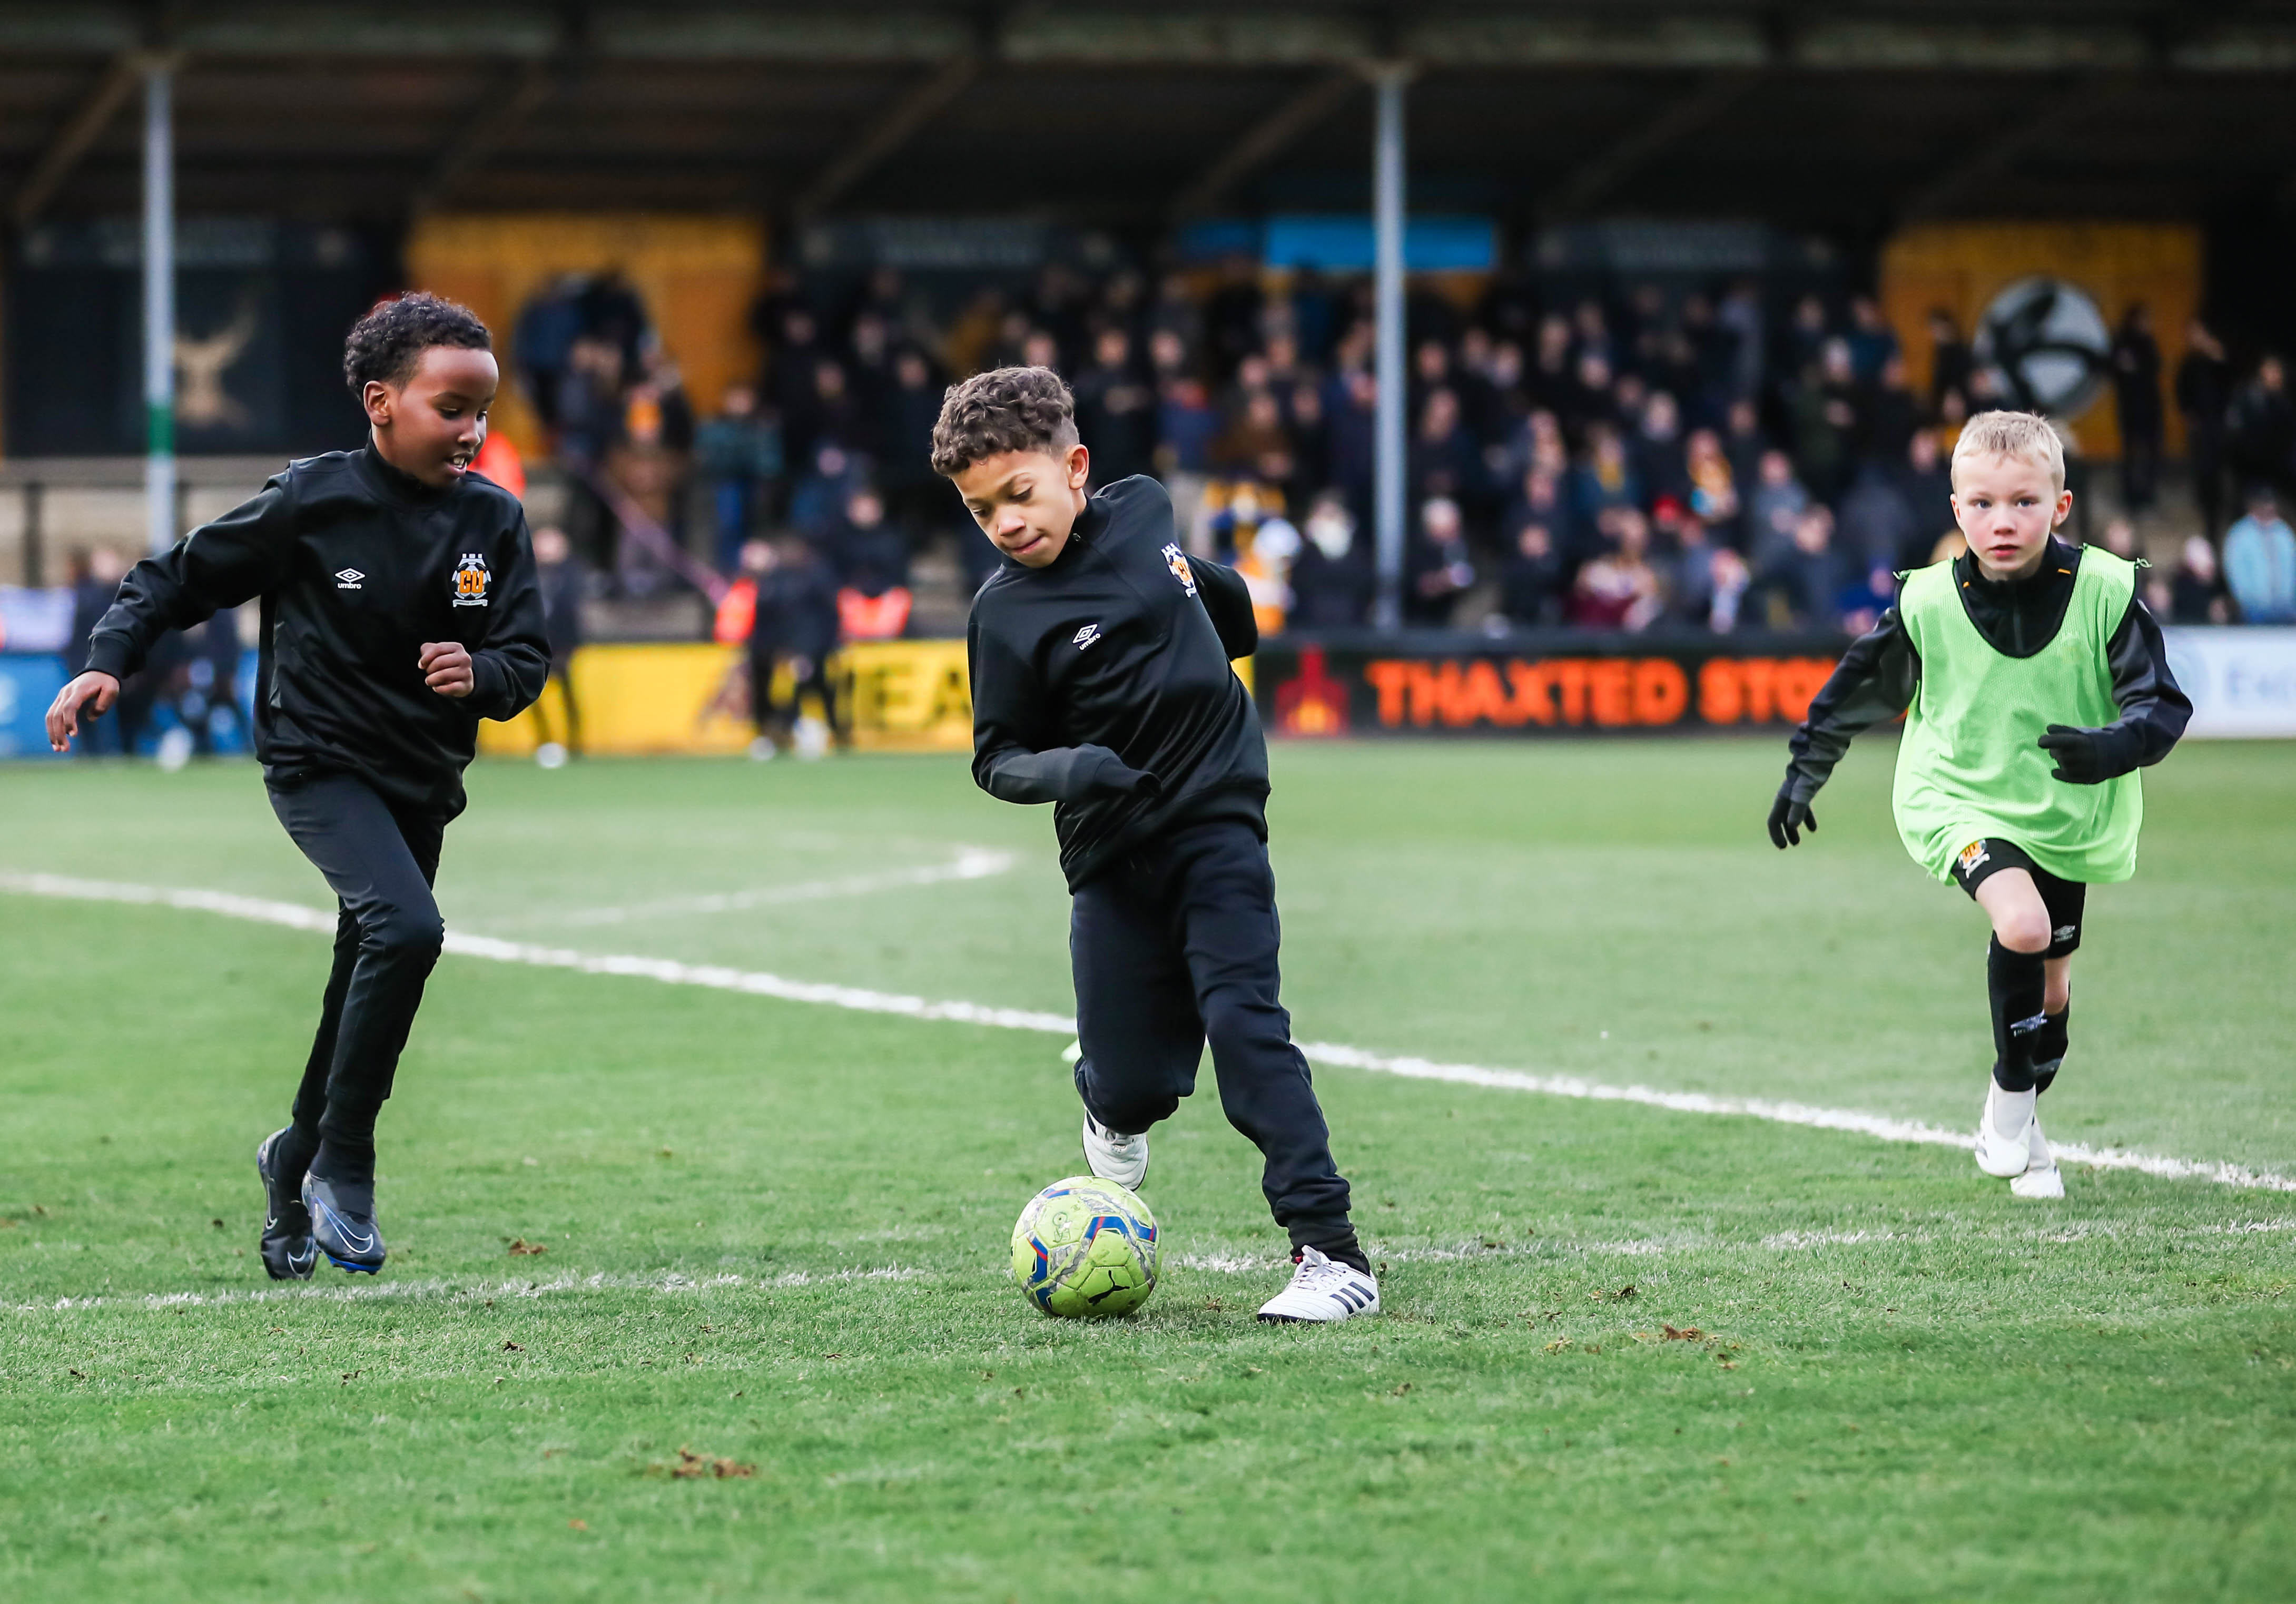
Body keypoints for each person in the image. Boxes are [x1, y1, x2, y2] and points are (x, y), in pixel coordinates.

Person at [43, 291, 548, 1275]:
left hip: (421, 777)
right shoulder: (312, 500)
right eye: (451, 408)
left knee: (366, 960)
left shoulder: (495, 520)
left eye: (483, 412)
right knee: (407, 930)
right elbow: (174, 579)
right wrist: (109, 658)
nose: (472, 432)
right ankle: (345, 1164)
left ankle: (294, 1160)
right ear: (380, 402)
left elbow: (526, 656)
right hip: (317, 763)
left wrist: (481, 675)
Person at [940, 366, 1378, 1324]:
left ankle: (1331, 1256)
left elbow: (1197, 590)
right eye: (981, 512)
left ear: (1076, 468)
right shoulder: (1003, 618)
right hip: (1110, 858)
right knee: (1136, 1083)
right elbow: (995, 759)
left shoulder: (1142, 509)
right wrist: (1073, 771)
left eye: (1019, 494)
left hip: (1218, 822)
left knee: (1245, 1027)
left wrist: (1226, 612)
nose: (1006, 523)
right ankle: (1105, 1098)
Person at [1768, 411, 2189, 1199]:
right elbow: (1855, 690)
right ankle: (2005, 1098)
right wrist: (1805, 771)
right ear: (1956, 509)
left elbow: (2159, 705)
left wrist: (2112, 747)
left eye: (2023, 503)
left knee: (2053, 993)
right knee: (2022, 926)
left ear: (2059, 507)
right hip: (1953, 795)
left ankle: (2025, 1134)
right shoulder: (1927, 601)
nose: (2003, 521)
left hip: (2061, 810)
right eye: (1984, 504)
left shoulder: (2103, 590)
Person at [530, 525, 584, 764]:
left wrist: (569, 649)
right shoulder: (527, 572)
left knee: (567, 696)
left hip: (561, 647)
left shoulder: (570, 574)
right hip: (535, 647)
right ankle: (545, 740)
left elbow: (571, 614)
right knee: (533, 698)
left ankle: (574, 743)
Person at [2110, 304, 2163, 511]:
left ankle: (2148, 494)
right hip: (2130, 409)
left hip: (2150, 409)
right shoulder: (2122, 342)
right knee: (2131, 454)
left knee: (2151, 454)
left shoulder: (2149, 343)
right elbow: (2114, 369)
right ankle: (2130, 496)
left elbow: (2156, 367)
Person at [2222, 487, 2296, 623]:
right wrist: (2248, 601)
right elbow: (2236, 571)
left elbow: (2292, 568)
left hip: (2285, 607)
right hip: (2254, 610)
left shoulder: (2283, 532)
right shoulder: (2240, 534)